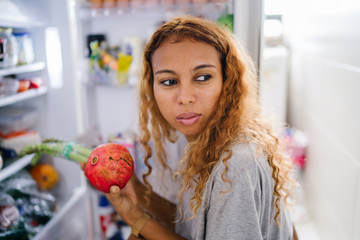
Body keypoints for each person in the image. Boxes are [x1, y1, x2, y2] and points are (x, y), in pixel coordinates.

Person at [104, 16, 295, 240]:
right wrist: (135, 190)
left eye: (203, 77)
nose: (185, 98)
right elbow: (194, 224)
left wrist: (137, 219)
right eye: (169, 81)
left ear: (228, 80)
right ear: (152, 88)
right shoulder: (208, 144)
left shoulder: (235, 165)